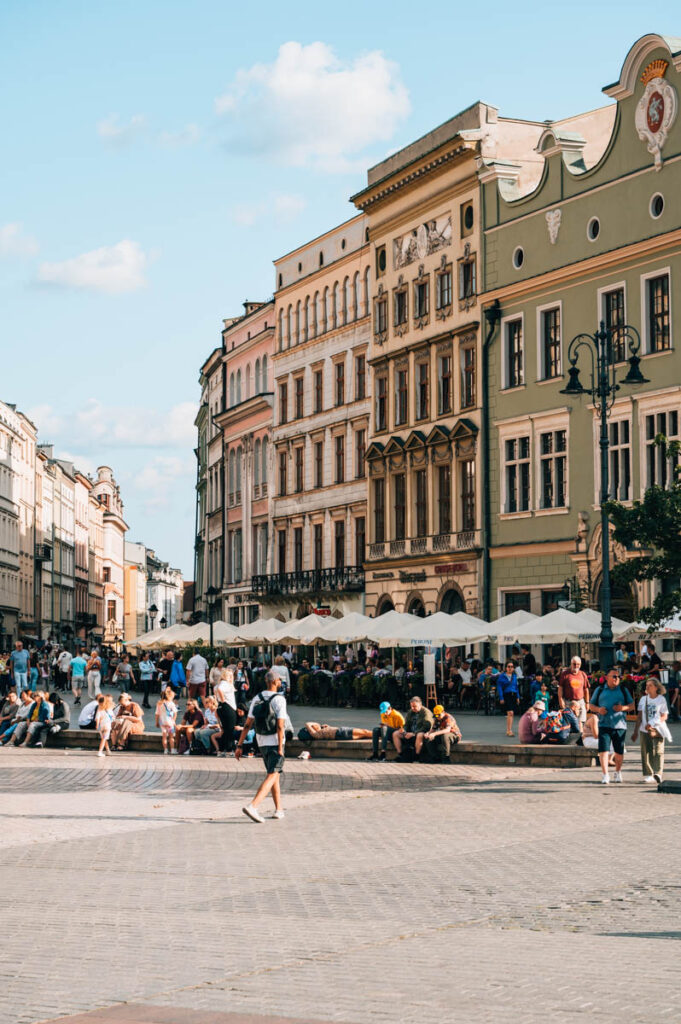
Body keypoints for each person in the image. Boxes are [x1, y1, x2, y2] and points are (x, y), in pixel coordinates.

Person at [237, 669, 287, 822]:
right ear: (274, 681)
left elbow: (247, 724)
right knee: (272, 774)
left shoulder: (256, 698)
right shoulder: (279, 699)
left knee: (274, 775)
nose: (280, 683)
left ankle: (279, 809)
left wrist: (239, 745)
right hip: (275, 741)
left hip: (261, 741)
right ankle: (253, 806)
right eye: (279, 680)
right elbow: (280, 726)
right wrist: (280, 747)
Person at [588, 667, 634, 784]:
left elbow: (632, 705)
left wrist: (622, 708)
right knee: (603, 751)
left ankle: (618, 772)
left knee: (619, 753)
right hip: (604, 724)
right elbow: (591, 706)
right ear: (607, 678)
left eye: (618, 676)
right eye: (614, 676)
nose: (616, 678)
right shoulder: (600, 690)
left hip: (620, 726)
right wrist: (599, 709)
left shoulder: (623, 690)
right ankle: (605, 775)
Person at [632, 677, 670, 784]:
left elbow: (664, 716)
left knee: (659, 750)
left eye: (650, 685)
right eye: (646, 685)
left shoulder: (661, 699)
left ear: (656, 687)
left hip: (658, 728)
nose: (647, 687)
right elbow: (639, 716)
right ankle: (649, 774)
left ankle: (658, 773)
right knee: (646, 751)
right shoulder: (643, 699)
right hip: (644, 729)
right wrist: (635, 731)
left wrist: (653, 723)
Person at [392, 696, 434, 762]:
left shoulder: (426, 712)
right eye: (411, 706)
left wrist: (414, 733)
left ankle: (416, 756)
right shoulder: (410, 712)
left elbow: (426, 727)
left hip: (420, 733)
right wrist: (404, 732)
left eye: (414, 706)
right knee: (396, 734)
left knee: (420, 735)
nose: (412, 708)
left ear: (420, 705)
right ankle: (401, 754)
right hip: (410, 733)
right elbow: (406, 724)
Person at [558, 656, 590, 723]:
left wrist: (587, 702)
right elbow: (560, 688)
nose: (576, 666)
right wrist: (561, 700)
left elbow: (586, 689)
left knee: (582, 722)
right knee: (569, 722)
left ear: (580, 665)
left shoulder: (583, 674)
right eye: (574, 664)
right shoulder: (565, 674)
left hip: (580, 702)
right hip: (568, 702)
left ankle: (581, 733)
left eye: (578, 664)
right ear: (571, 664)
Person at [214, 662, 237, 753]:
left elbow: (215, 689)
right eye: (229, 676)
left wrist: (219, 701)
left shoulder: (221, 683)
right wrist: (223, 701)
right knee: (230, 729)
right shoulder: (225, 683)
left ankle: (222, 749)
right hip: (227, 706)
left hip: (222, 706)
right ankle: (228, 749)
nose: (231, 678)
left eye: (232, 676)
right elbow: (219, 690)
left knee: (225, 729)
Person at [496, 661, 520, 736]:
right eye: (508, 666)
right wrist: (501, 697)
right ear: (506, 668)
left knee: (511, 714)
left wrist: (518, 697)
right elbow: (499, 688)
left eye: (511, 667)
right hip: (506, 695)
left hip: (513, 695)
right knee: (510, 713)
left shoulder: (514, 676)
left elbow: (516, 687)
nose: (510, 668)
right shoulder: (502, 676)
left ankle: (509, 729)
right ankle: (509, 730)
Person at [156, 686, 179, 754]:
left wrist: (157, 722)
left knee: (164, 737)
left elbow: (157, 714)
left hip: (162, 722)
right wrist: (173, 720)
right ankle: (172, 750)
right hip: (170, 723)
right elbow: (175, 713)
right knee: (171, 737)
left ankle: (165, 750)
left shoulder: (159, 703)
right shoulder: (171, 703)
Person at [297, 721, 373, 741]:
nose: (316, 725)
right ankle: (379, 734)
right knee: (364, 732)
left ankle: (379, 735)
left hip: (341, 732)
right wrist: (318, 726)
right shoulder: (316, 734)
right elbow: (307, 723)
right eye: (314, 726)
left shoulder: (321, 731)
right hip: (342, 733)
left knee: (364, 733)